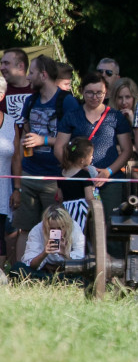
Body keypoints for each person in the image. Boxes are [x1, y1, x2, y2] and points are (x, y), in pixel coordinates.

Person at [11, 55, 82, 262]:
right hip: (29, 171)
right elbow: (25, 130)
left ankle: (57, 270)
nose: (29, 78)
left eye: (32, 73)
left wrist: (43, 140)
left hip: (54, 176)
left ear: (43, 75)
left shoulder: (67, 101)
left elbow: (74, 141)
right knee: (24, 227)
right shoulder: (31, 100)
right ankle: (22, 271)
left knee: (57, 228)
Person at [55, 72, 132, 218]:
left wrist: (108, 172)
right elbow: (59, 148)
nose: (95, 97)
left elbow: (127, 150)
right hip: (78, 180)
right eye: (90, 92)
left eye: (99, 93)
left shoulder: (116, 117)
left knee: (110, 223)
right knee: (77, 223)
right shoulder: (72, 115)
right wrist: (76, 169)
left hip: (110, 180)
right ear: (81, 91)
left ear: (106, 92)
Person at [12, 205, 85, 280]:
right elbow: (30, 264)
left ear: (66, 225)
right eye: (52, 229)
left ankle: (52, 280)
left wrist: (66, 255)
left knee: (90, 268)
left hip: (68, 270)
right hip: (45, 271)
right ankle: (55, 280)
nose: (57, 231)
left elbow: (82, 258)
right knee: (17, 268)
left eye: (60, 228)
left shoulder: (74, 227)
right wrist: (44, 253)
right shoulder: (37, 230)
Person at [0, 76, 20, 267]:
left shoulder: (10, 123)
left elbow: (16, 158)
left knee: (1, 235)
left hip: (3, 189)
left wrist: (17, 188)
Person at [58, 136, 97, 231]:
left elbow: (60, 196)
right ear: (82, 160)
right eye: (91, 155)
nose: (92, 157)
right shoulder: (84, 174)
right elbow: (89, 197)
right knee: (80, 237)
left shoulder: (62, 173)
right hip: (80, 210)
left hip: (66, 210)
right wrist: (96, 205)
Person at [1, 48, 35, 124]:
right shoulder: (1, 91)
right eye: (1, 63)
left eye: (6, 63)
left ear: (20, 66)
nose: (1, 68)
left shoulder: (38, 91)